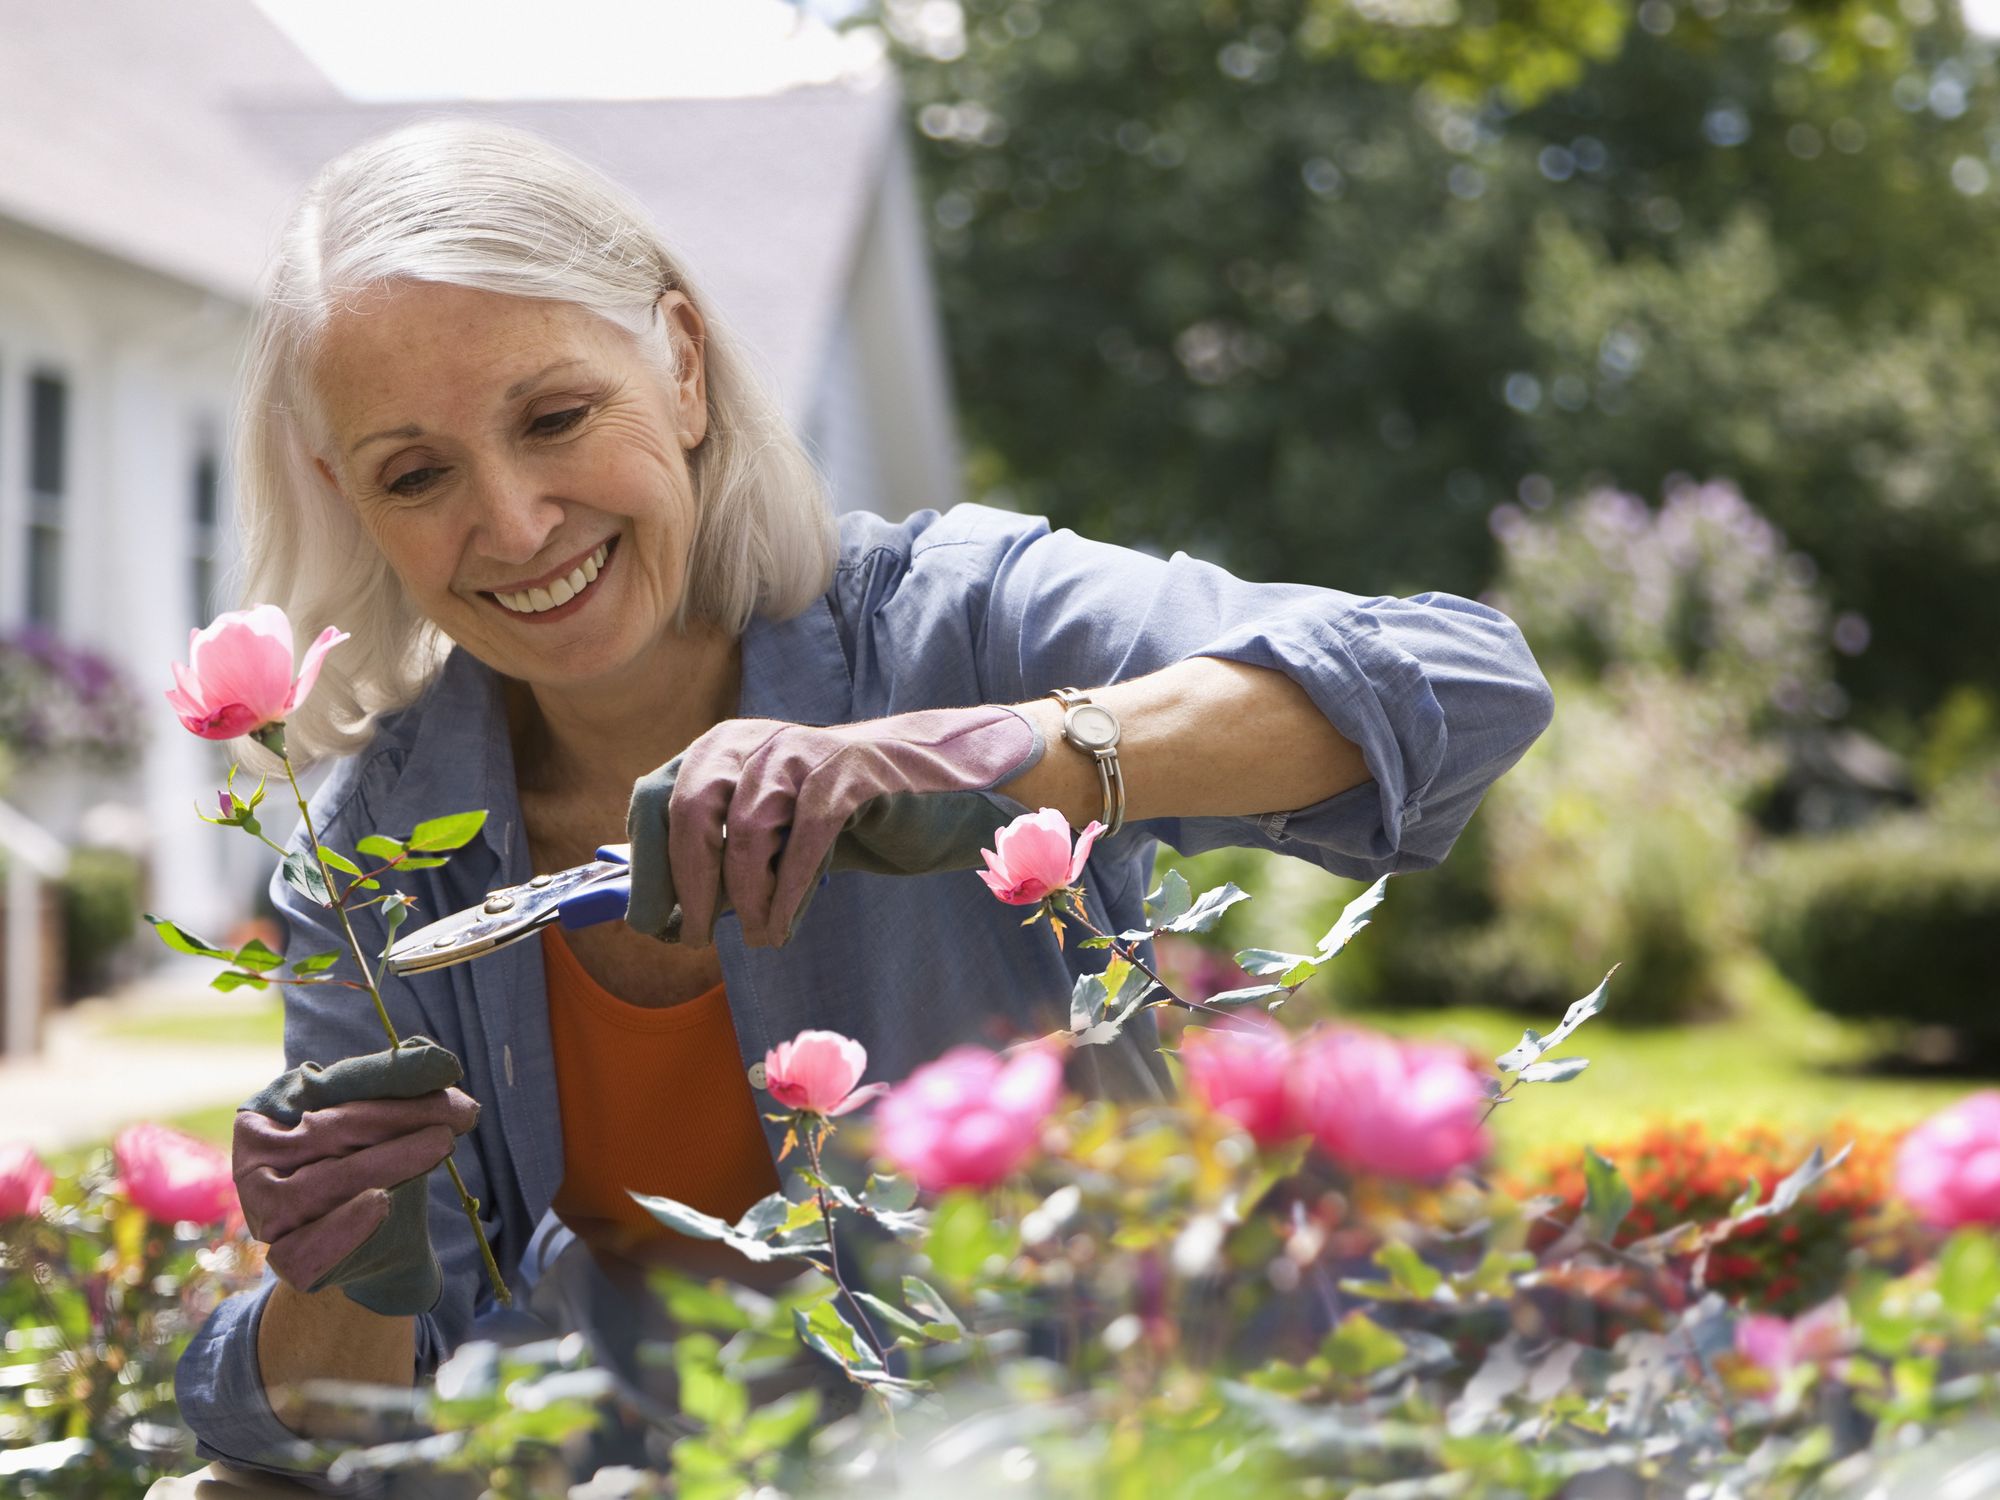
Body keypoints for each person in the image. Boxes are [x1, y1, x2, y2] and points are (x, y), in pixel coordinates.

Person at [165, 118, 1555, 1492]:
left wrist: (1006, 753)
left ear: (685, 369)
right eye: (420, 474)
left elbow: (1462, 683)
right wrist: (340, 1257)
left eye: (556, 417)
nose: (517, 522)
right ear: (353, 499)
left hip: (1093, 1452)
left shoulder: (959, 624)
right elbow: (357, 1414)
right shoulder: (375, 858)